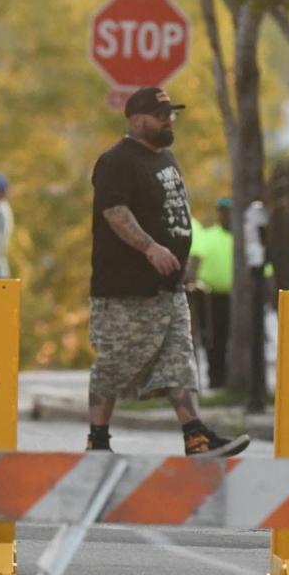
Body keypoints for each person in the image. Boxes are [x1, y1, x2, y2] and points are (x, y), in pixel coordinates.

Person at [86, 87, 250, 458]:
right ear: (138, 119)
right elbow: (115, 212)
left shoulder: (166, 159)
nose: (169, 120)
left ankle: (196, 437)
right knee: (114, 363)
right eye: (162, 115)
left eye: (171, 114)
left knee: (179, 360)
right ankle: (97, 440)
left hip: (169, 289)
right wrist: (150, 247)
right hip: (125, 291)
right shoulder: (116, 161)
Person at [187, 197, 235, 389]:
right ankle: (216, 379)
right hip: (211, 297)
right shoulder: (208, 236)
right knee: (214, 339)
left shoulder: (244, 238)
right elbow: (196, 260)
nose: (227, 216)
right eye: (223, 212)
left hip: (238, 298)